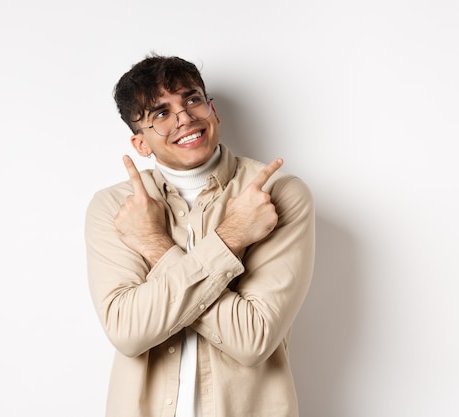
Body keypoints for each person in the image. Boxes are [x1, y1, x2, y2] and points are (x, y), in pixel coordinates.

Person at [85, 54, 315, 417]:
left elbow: (253, 338)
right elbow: (128, 332)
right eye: (161, 114)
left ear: (214, 112)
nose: (185, 118)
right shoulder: (116, 207)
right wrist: (232, 239)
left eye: (192, 100)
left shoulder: (276, 194)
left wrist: (154, 247)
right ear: (141, 144)